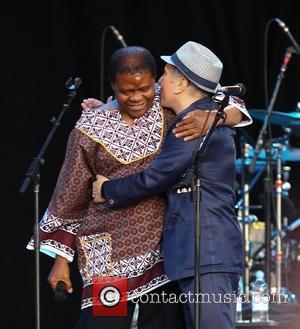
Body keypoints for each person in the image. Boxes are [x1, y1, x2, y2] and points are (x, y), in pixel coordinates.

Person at [27, 45, 250, 329]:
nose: (136, 97)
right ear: (112, 86)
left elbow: (230, 102)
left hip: (162, 255)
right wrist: (61, 259)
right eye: (125, 91)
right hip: (106, 254)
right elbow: (71, 192)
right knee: (105, 324)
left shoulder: (173, 106)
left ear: (157, 80)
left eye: (144, 88)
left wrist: (216, 117)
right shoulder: (92, 126)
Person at [93, 41, 246, 329]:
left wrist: (106, 190)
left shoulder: (194, 123)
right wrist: (105, 109)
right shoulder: (200, 115)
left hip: (207, 251)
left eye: (165, 74)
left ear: (181, 83)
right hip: (198, 253)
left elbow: (155, 178)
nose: (160, 81)